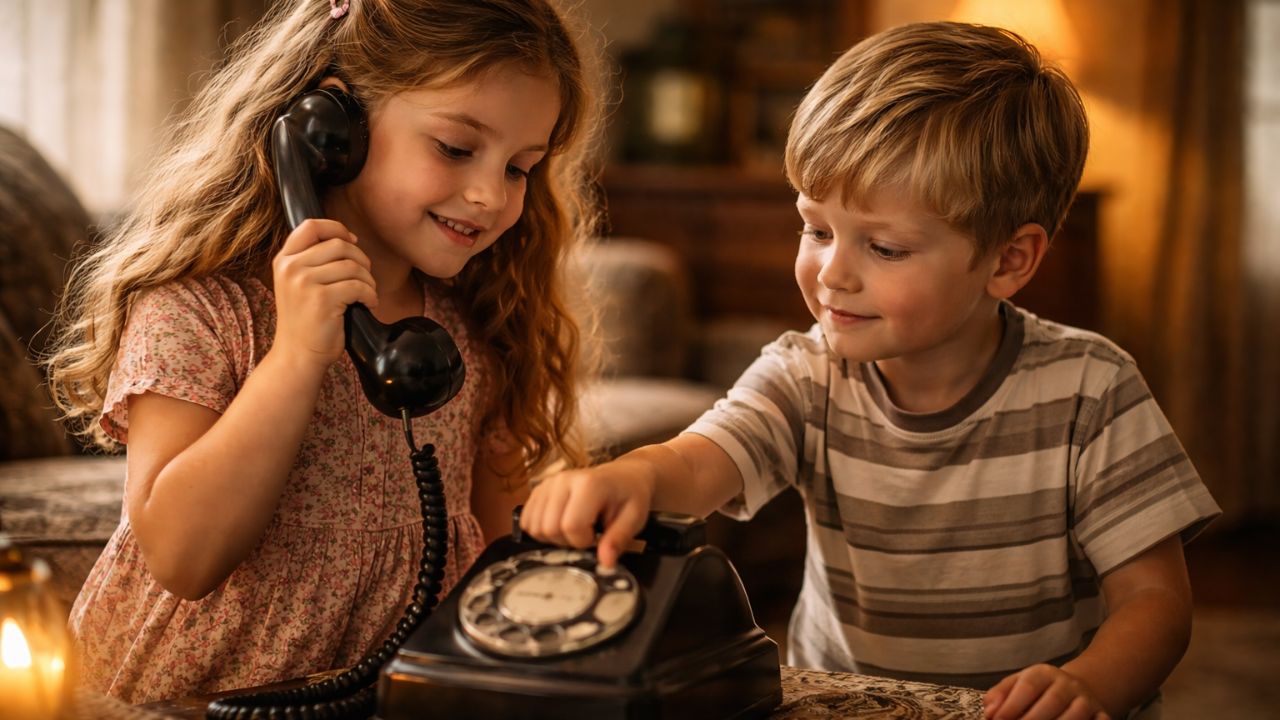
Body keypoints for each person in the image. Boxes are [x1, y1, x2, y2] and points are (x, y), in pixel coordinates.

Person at [520, 21, 1220, 720]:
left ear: (1009, 261)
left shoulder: (1093, 389)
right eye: (817, 229)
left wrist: (1091, 685)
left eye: (884, 248)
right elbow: (697, 463)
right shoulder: (804, 375)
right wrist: (633, 478)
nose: (832, 274)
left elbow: (1155, 603)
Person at [44, 0, 602, 704]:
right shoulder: (198, 312)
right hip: (190, 704)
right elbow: (182, 559)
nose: (490, 195)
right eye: (456, 149)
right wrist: (297, 357)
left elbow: (500, 563)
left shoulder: (473, 331)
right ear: (332, 128)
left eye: (520, 168)